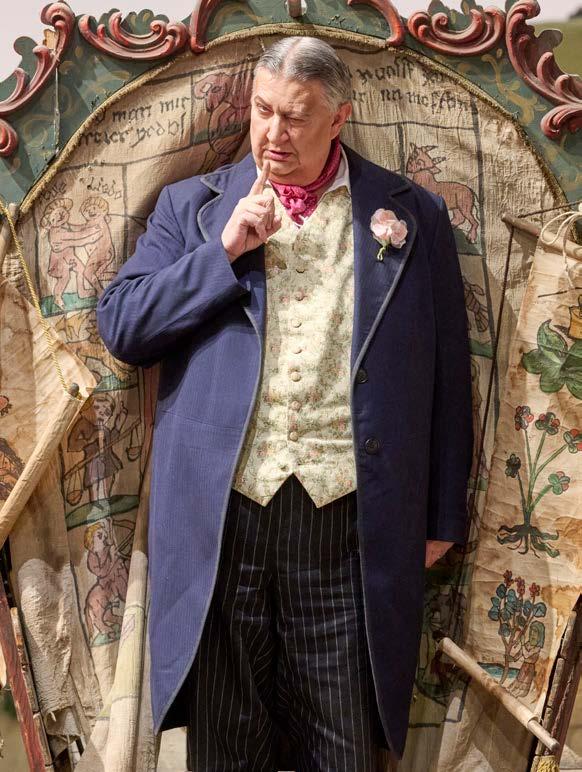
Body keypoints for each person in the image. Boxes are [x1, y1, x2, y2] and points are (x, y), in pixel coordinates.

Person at [97, 36, 473, 770]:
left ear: (339, 118)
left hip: (349, 525)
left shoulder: (412, 215)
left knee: (342, 748)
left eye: (295, 117)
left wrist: (440, 519)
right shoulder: (192, 207)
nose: (273, 133)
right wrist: (222, 254)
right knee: (225, 749)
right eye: (262, 110)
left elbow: (447, 377)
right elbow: (124, 327)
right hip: (222, 522)